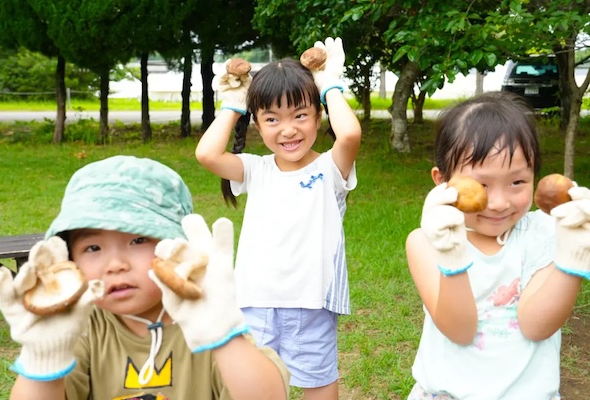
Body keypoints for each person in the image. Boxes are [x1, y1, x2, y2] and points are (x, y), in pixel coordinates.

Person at [0, 155, 290, 400]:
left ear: (177, 249)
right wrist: (44, 355)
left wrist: (224, 337)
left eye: (138, 241)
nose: (115, 264)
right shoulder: (80, 329)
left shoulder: (207, 322)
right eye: (93, 247)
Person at [195, 37, 361, 400]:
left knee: (319, 389)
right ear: (257, 124)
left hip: (312, 304)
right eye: (272, 119)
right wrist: (234, 104)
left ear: (319, 115)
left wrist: (328, 83)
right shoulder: (257, 169)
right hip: (254, 303)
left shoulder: (329, 169)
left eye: (300, 115)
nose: (288, 130)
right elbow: (207, 153)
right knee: (255, 390)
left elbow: (349, 133)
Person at [405, 91, 590, 399]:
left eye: (517, 182)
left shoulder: (544, 232)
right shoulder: (424, 242)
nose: (500, 203)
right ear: (442, 181)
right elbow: (459, 331)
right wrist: (452, 256)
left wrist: (571, 260)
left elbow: (535, 326)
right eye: (481, 185)